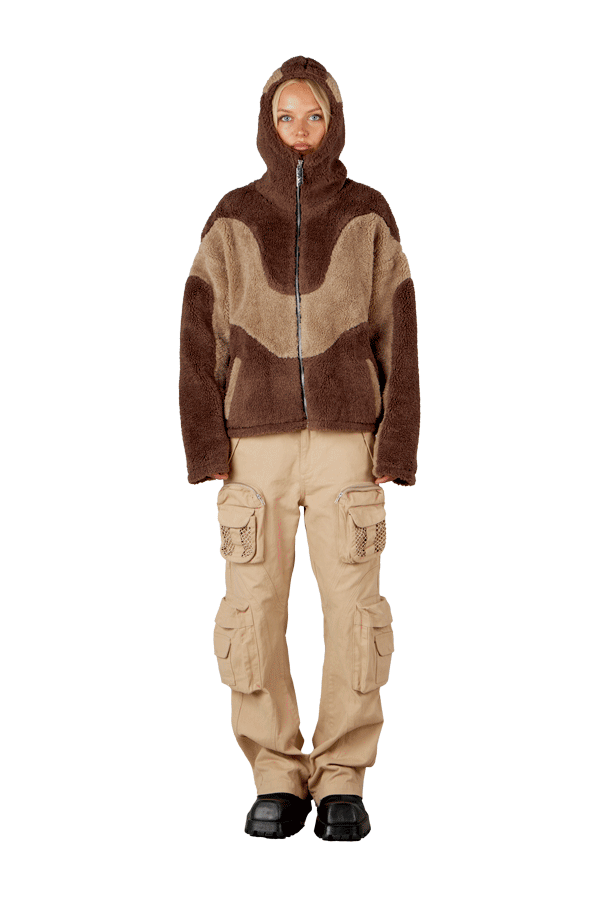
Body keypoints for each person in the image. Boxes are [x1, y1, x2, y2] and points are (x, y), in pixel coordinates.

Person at [179, 55, 420, 841]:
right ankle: (276, 776)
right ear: (266, 123)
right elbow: (198, 334)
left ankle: (343, 777)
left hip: (349, 444)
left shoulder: (368, 213)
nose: (300, 131)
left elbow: (399, 328)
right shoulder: (232, 216)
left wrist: (398, 441)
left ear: (334, 120)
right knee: (253, 609)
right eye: (286, 117)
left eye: (314, 116)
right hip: (253, 448)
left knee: (354, 611)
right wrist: (205, 441)